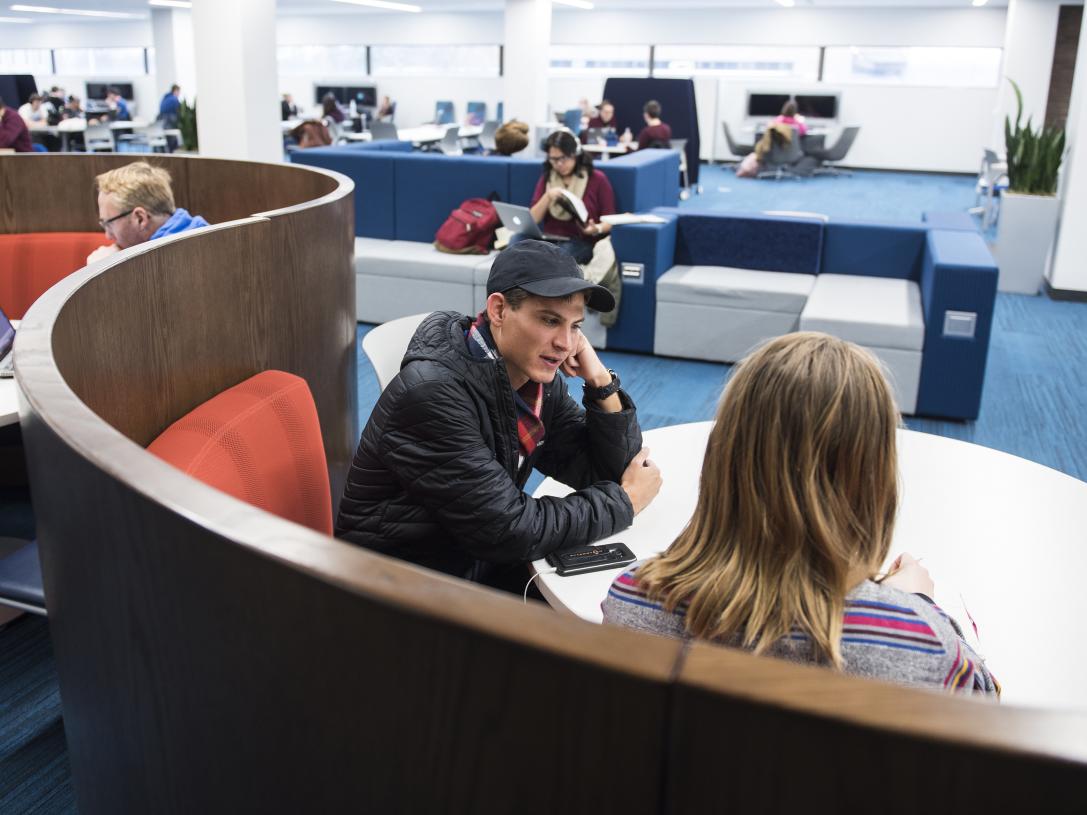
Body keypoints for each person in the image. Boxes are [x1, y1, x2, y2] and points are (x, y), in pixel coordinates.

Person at [602, 332, 999, 697]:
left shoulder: (630, 598)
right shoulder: (921, 644)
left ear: (723, 459)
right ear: (873, 479)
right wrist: (917, 601)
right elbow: (985, 702)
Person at [336, 240, 662, 589]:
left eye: (576, 326)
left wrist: (600, 381)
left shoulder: (534, 380)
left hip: (468, 561)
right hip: (396, 589)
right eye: (550, 320)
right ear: (499, 311)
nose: (566, 343)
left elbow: (613, 471)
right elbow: (509, 530)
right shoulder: (431, 395)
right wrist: (624, 502)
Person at [524, 130, 617, 265]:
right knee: (518, 240)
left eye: (564, 158)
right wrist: (548, 196)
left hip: (580, 241)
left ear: (575, 155)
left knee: (557, 257)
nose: (559, 164)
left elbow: (610, 220)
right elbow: (533, 219)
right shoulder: (548, 178)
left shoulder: (597, 179)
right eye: (554, 159)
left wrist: (596, 228)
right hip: (549, 238)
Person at [87, 161, 210, 263]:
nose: (108, 236)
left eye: (109, 224)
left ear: (140, 218)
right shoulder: (201, 235)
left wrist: (104, 273)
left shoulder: (176, 259)